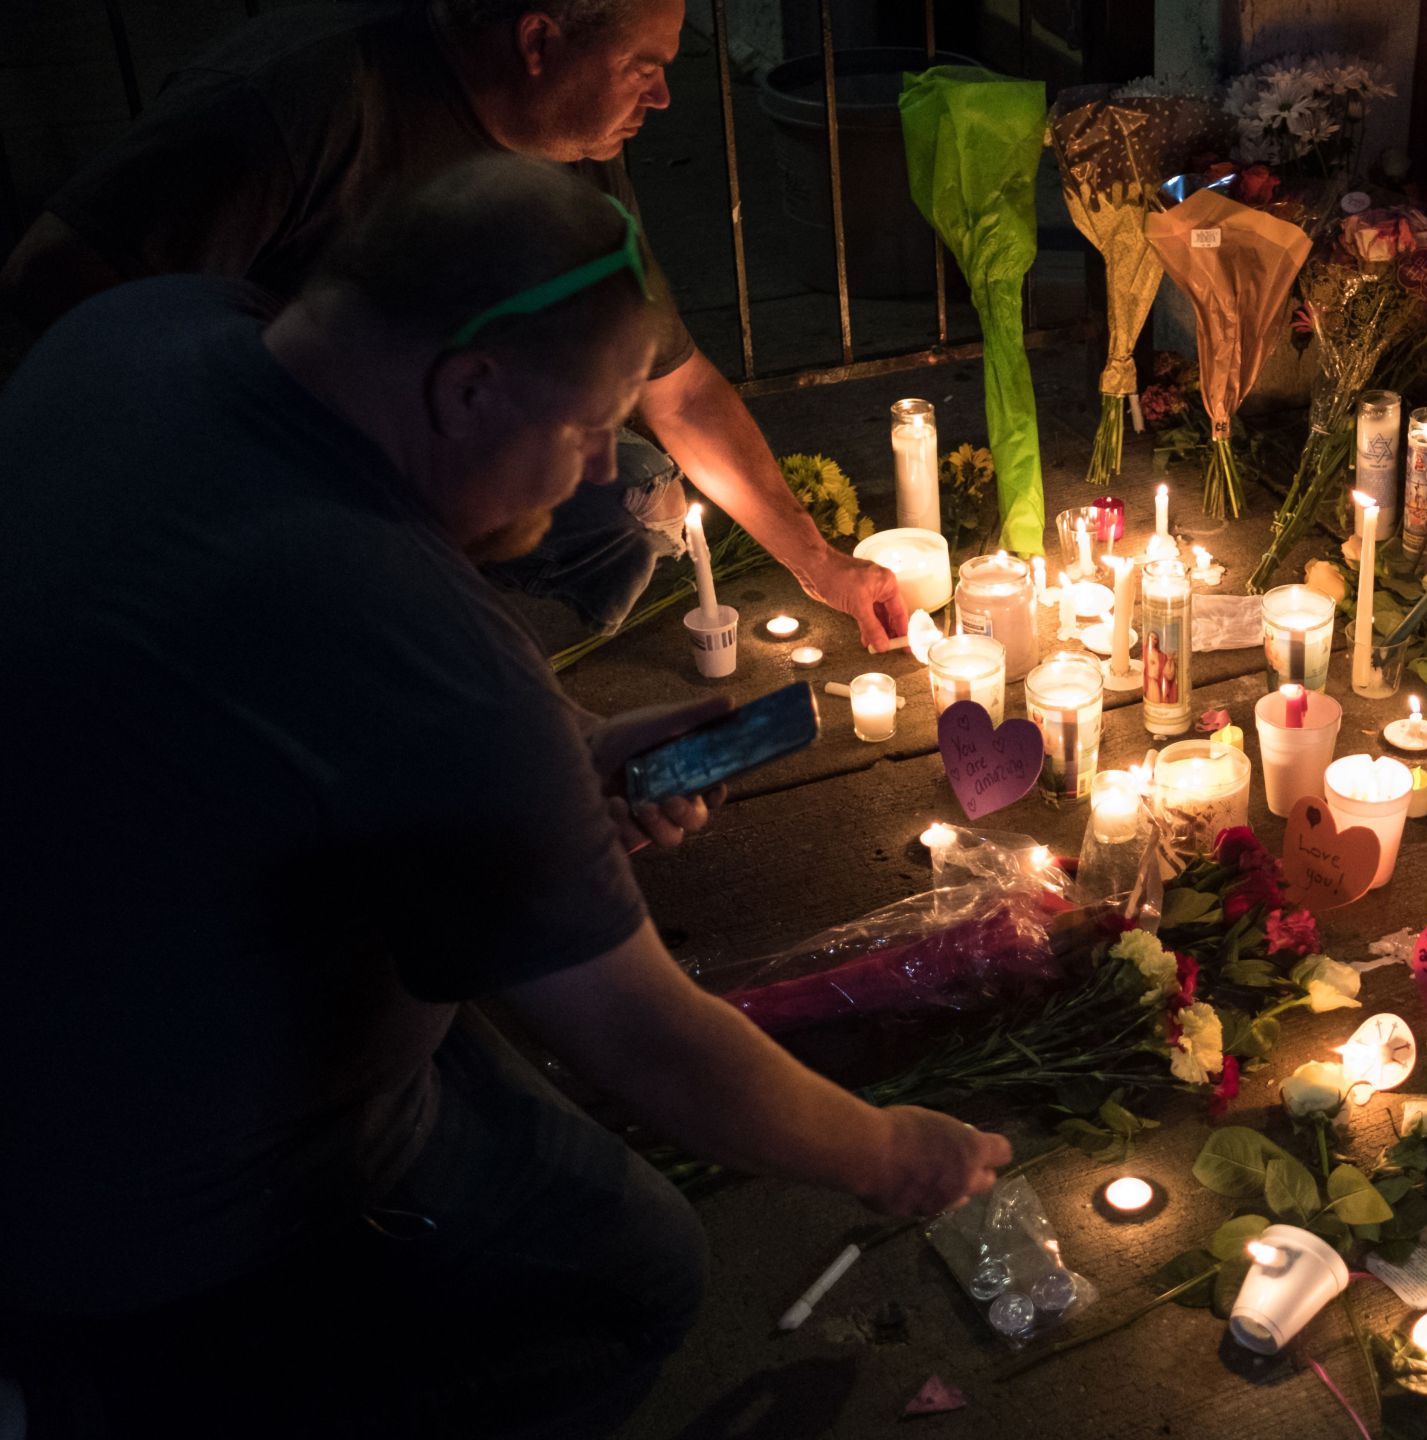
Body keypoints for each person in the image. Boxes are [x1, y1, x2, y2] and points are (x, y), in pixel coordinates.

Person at [0, 156, 1009, 1439]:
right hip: (159, 1195)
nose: (597, 473)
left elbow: (266, 711)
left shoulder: (142, 331)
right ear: (468, 384)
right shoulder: (424, 661)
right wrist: (889, 1154)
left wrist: (563, 755)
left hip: (112, 943)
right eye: (590, 428)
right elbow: (649, 1040)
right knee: (630, 1277)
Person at [0, 0, 908, 645]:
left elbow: (676, 388)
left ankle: (460, 632)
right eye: (644, 66)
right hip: (240, 475)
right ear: (539, 41)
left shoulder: (576, 138)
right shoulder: (305, 99)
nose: (664, 97)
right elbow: (50, 273)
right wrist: (264, 448)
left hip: (437, 446)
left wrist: (821, 564)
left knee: (629, 498)